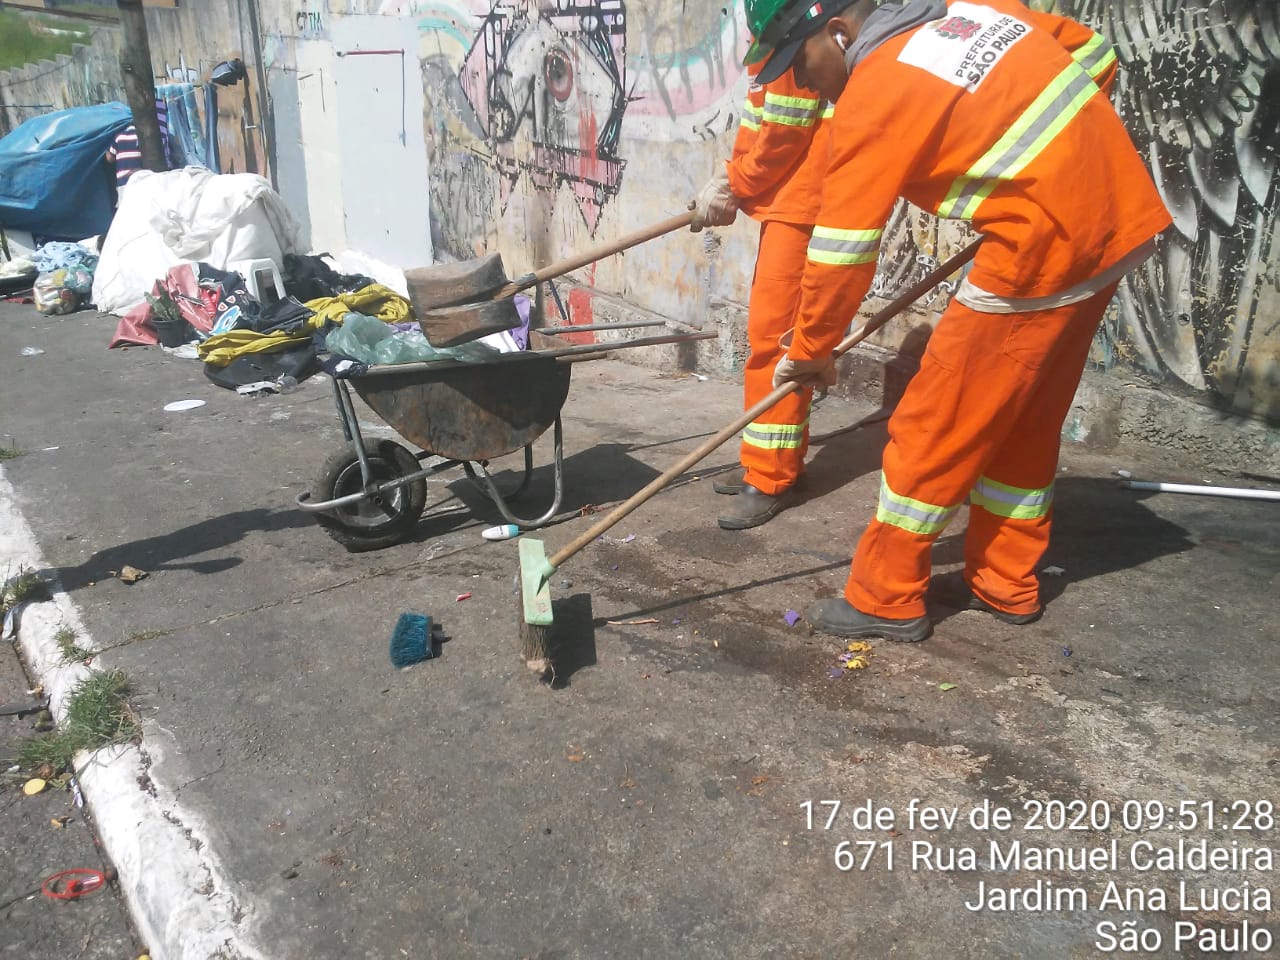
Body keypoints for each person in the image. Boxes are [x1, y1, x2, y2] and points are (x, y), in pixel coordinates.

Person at [706, 0, 1172, 641]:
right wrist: (1041, 172)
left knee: (934, 420)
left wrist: (812, 352)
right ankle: (1005, 581)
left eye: (802, 65)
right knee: (1025, 419)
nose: (805, 86)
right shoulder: (969, 11)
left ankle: (884, 596)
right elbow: (1094, 55)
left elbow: (842, 253)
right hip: (1115, 220)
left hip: (1041, 250)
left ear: (839, 31)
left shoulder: (873, 92)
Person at [691, 62, 831, 529]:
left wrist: (738, 182)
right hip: (791, 203)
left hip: (808, 203)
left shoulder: (791, 33)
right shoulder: (770, 35)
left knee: (779, 341)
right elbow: (759, 125)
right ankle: (763, 459)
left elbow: (784, 133)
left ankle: (772, 477)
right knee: (767, 338)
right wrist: (734, 181)